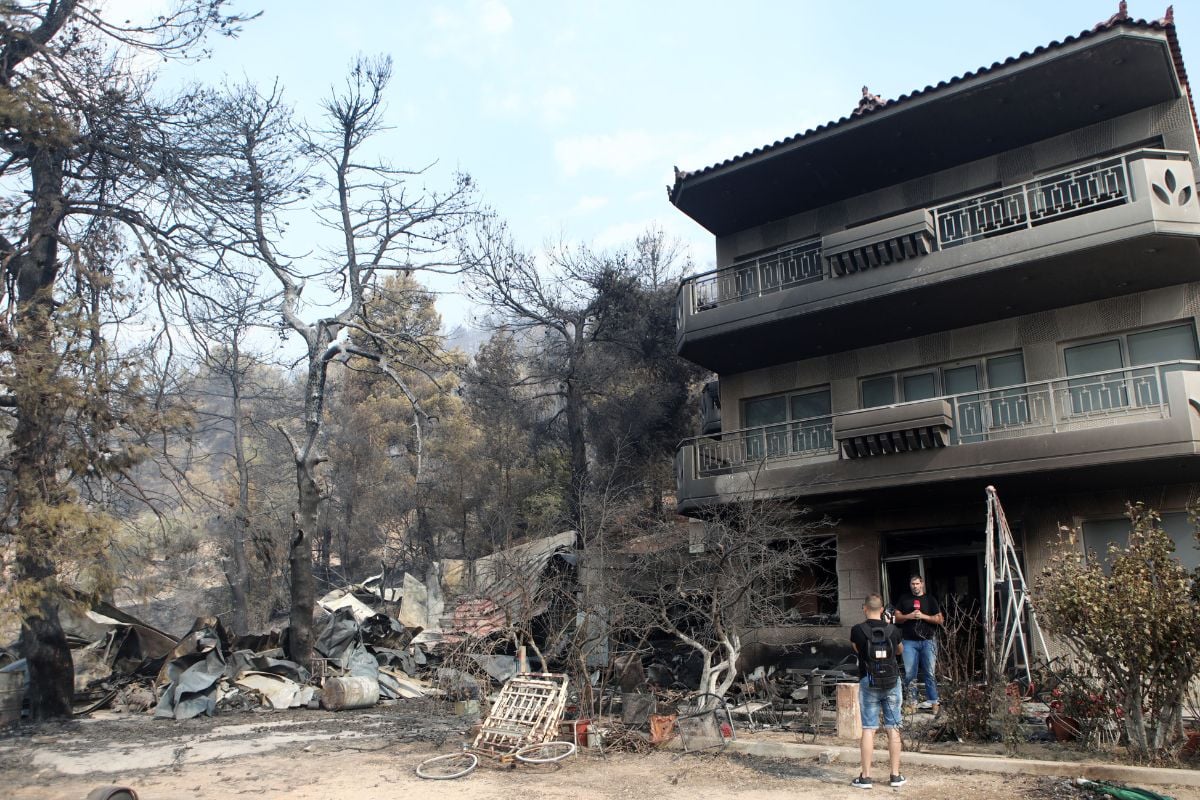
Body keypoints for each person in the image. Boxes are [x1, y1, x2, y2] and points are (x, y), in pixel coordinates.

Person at [850, 593, 905, 789]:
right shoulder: (893, 629)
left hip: (868, 680)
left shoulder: (857, 630)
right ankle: (895, 776)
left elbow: (857, 649)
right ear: (882, 610)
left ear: (865, 608)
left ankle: (865, 777)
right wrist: (889, 626)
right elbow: (899, 651)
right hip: (891, 682)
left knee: (869, 728)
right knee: (893, 726)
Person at [894, 574, 944, 713]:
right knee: (910, 674)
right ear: (910, 585)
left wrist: (923, 616)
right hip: (909, 642)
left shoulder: (930, 599)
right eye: (912, 584)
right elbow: (896, 617)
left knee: (930, 673)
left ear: (922, 584)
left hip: (928, 641)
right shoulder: (904, 599)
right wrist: (908, 616)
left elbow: (940, 619)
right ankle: (912, 703)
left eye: (917, 583)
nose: (915, 586)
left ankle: (934, 702)